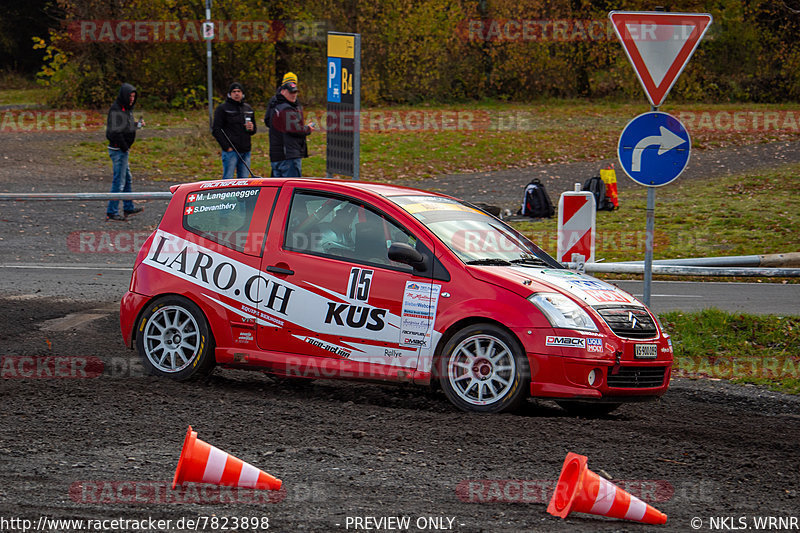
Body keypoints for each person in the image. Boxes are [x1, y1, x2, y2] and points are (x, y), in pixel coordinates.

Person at [105, 83, 144, 221]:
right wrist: (124, 146)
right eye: (130, 96)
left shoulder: (125, 109)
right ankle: (112, 211)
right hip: (118, 150)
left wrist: (137, 125)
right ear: (124, 96)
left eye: (134, 96)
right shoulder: (117, 110)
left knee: (127, 179)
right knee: (119, 181)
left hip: (122, 150)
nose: (132, 99)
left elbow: (126, 126)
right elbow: (115, 132)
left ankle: (128, 206)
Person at [265, 72, 314, 177]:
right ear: (283, 90)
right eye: (291, 92)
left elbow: (267, 121)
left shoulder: (274, 102)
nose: (294, 95)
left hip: (276, 154)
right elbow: (295, 129)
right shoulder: (287, 108)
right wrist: (307, 129)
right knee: (291, 188)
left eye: (295, 91)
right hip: (288, 154)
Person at [212, 82, 257, 179]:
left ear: (242, 93)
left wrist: (251, 128)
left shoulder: (248, 109)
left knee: (244, 180)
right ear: (229, 94)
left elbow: (254, 130)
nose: (236, 94)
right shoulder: (223, 109)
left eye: (239, 91)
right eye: (234, 91)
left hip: (245, 150)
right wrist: (226, 147)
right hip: (231, 151)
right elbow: (216, 129)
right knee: (228, 180)